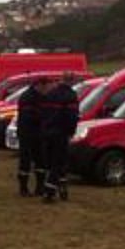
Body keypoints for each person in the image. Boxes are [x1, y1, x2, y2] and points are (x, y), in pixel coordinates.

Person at [39, 72, 80, 203]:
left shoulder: (50, 93)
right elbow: (72, 116)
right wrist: (71, 131)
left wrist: (44, 128)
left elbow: (43, 113)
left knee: (53, 162)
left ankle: (63, 190)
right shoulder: (70, 95)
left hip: (47, 132)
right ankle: (49, 192)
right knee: (59, 162)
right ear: (72, 81)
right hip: (60, 133)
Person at [15, 77, 48, 197]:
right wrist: (44, 118)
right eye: (45, 87)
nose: (46, 90)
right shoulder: (27, 97)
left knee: (40, 160)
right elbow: (29, 116)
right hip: (27, 133)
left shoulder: (41, 96)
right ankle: (23, 188)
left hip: (38, 133)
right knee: (25, 160)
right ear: (39, 85)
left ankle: (40, 187)